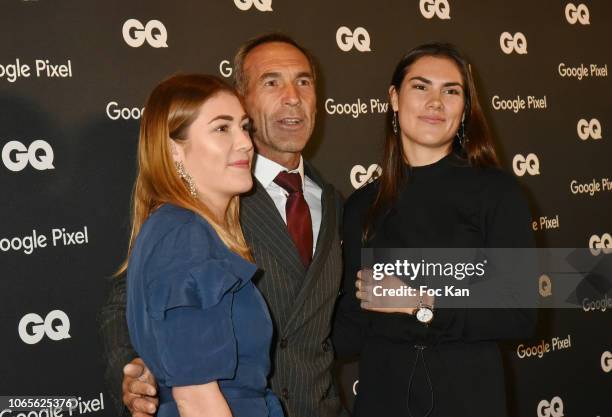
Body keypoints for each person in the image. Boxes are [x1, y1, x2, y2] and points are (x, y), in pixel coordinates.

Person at [98, 34, 344, 417]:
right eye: (272, 82)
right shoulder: (188, 224)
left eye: (304, 81)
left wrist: (432, 305)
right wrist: (133, 370)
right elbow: (131, 305)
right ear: (242, 94)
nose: (292, 96)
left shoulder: (335, 202)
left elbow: (344, 320)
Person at [332, 42, 537, 417]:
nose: (436, 102)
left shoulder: (497, 193)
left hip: (467, 397)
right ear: (394, 98)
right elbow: (352, 325)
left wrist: (419, 303)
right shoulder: (362, 205)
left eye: (451, 91)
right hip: (382, 398)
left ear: (465, 108)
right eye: (421, 87)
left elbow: (520, 314)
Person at [123, 73, 284, 417]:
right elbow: (197, 400)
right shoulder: (183, 236)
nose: (245, 143)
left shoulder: (182, 230)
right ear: (174, 150)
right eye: (222, 128)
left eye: (244, 127)